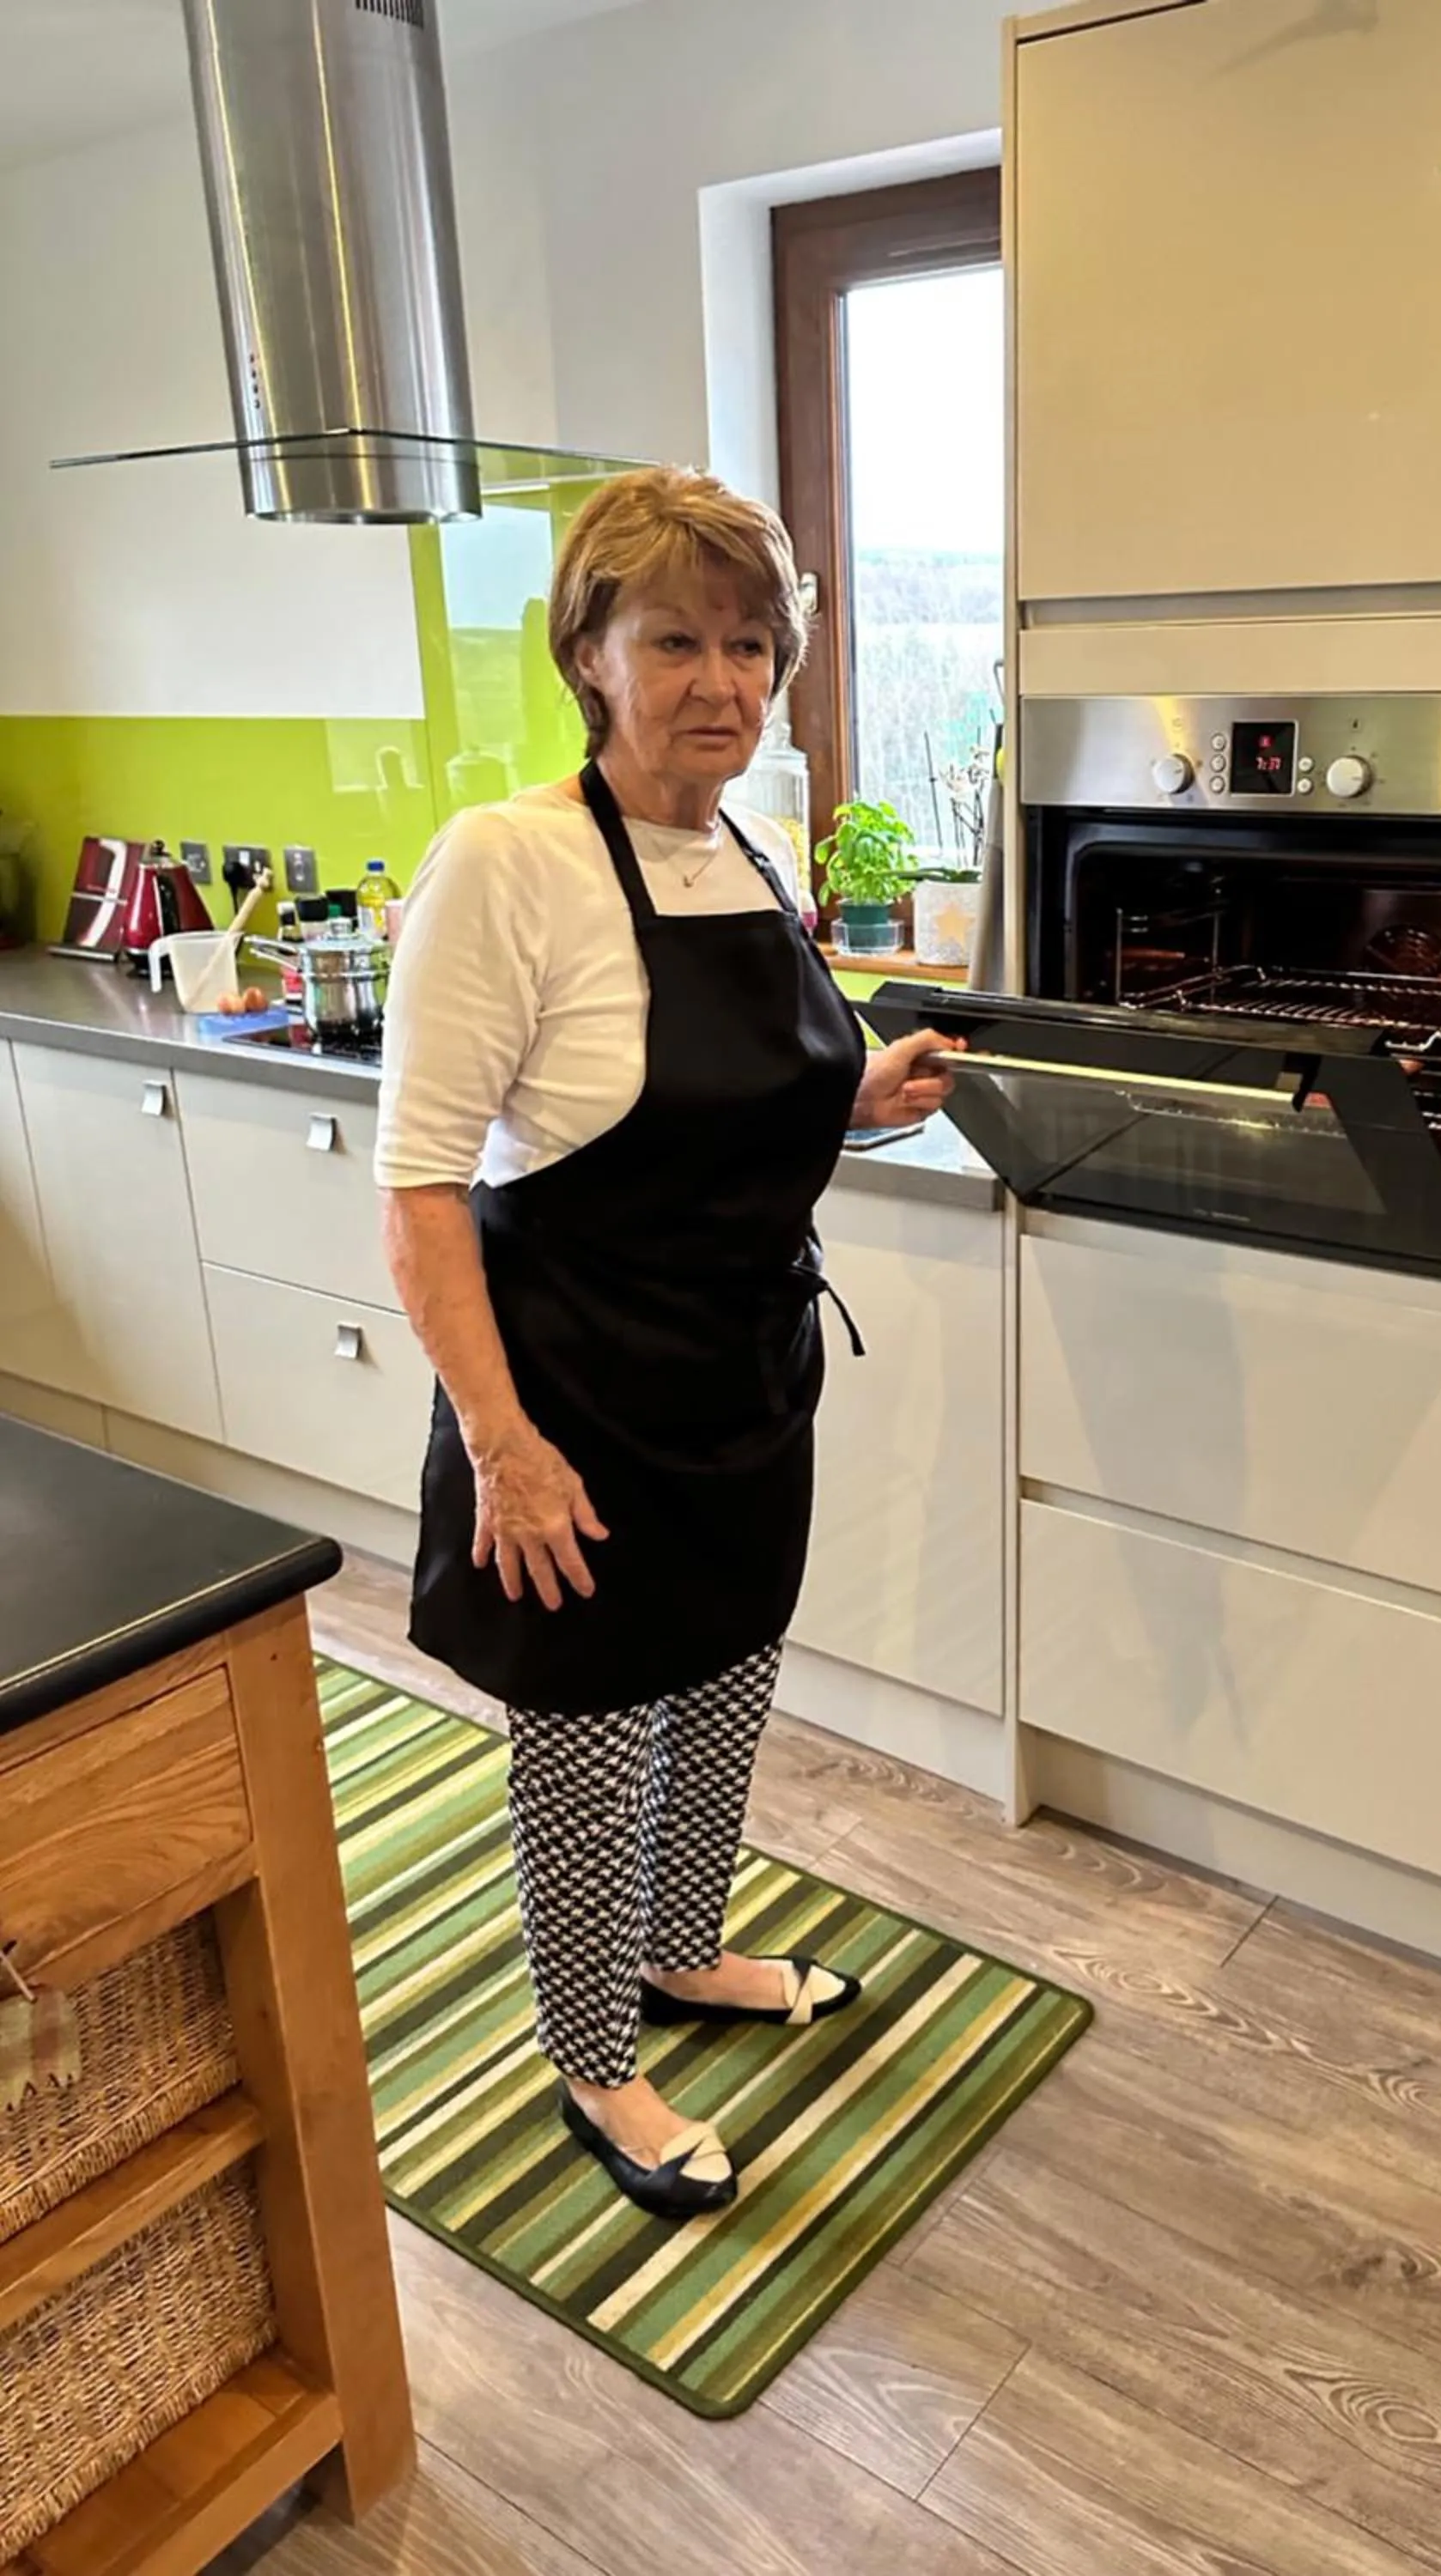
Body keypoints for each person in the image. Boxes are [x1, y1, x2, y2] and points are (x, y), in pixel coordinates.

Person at [376, 465, 958, 2219]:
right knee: (580, 1723)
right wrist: (503, 1440)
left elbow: (697, 1111)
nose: (723, 679)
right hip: (570, 1393)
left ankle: (681, 1949)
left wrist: (855, 1099)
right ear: (592, 653)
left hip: (742, 1372)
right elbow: (420, 1194)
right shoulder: (510, 861)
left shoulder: (742, 847)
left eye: (753, 645)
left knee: (724, 1668)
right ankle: (589, 2054)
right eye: (679, 638)